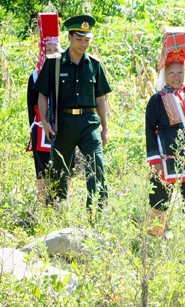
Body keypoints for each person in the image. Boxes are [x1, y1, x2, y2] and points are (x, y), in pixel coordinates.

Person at [34, 14, 112, 210]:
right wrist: (44, 121)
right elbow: (42, 94)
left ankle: (96, 211)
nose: (83, 44)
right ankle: (56, 212)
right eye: (79, 39)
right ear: (69, 37)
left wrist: (105, 128)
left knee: (96, 165)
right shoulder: (55, 62)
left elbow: (101, 99)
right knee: (60, 170)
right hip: (64, 121)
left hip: (89, 122)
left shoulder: (94, 65)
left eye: (87, 40)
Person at [145, 28, 185, 237]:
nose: (176, 77)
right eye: (172, 73)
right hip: (165, 157)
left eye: (180, 72)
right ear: (165, 74)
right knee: (160, 199)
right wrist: (154, 159)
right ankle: (154, 238)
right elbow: (149, 130)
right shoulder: (156, 100)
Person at [26, 12, 60, 204]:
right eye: (48, 49)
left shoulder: (65, 70)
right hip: (40, 127)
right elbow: (31, 106)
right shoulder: (35, 76)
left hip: (62, 126)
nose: (51, 52)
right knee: (42, 169)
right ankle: (43, 205)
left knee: (63, 167)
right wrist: (37, 125)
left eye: (55, 48)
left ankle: (61, 205)